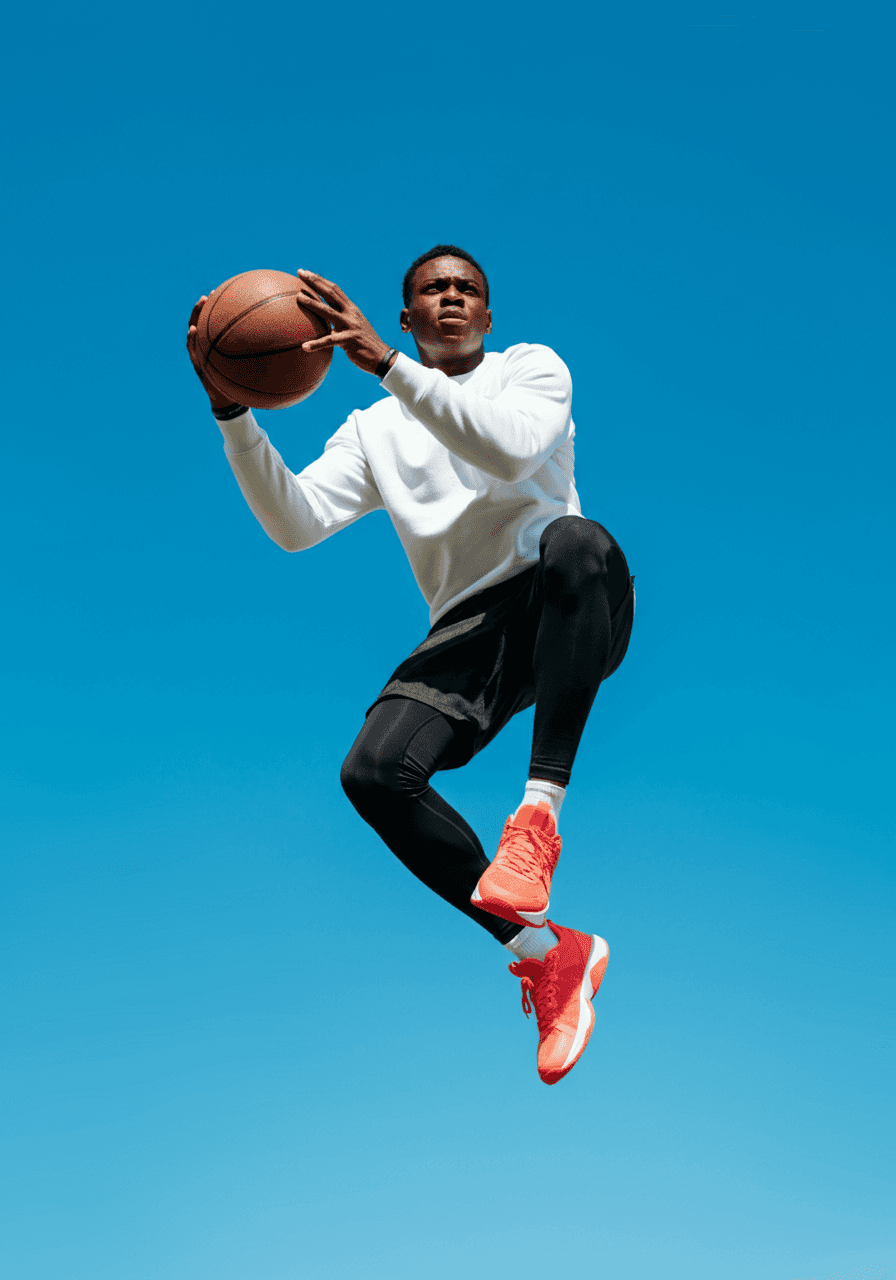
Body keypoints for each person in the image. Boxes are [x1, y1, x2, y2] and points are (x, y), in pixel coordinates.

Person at [186, 245, 635, 1085]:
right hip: (469, 631)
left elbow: (510, 454)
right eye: (434, 289)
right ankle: (546, 955)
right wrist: (232, 409)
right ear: (406, 314)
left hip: (570, 600)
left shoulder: (531, 369)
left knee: (577, 539)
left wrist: (387, 367)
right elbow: (296, 523)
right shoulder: (373, 427)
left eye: (469, 289)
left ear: (489, 316)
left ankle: (537, 820)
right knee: (373, 773)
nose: (453, 297)